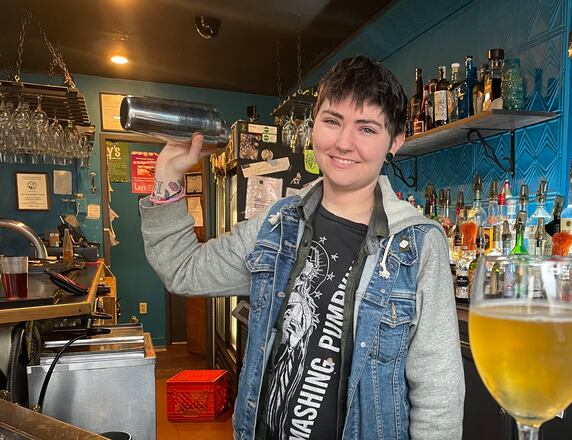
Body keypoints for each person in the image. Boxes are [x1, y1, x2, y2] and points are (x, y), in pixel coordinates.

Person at [140, 56, 464, 439]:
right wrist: (167, 175)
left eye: (366, 128)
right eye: (332, 121)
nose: (344, 143)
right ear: (314, 125)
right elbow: (183, 270)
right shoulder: (278, 224)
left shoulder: (417, 244)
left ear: (394, 141)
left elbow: (439, 393)